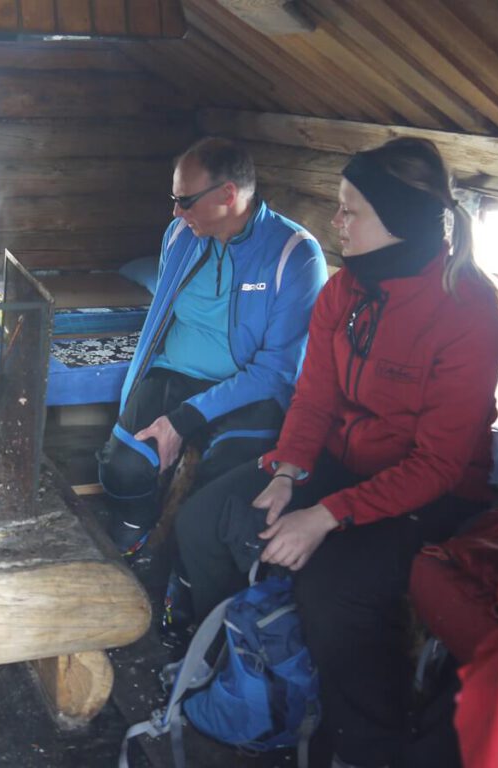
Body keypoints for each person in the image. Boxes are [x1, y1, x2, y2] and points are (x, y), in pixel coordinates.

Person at [172, 137, 498, 768]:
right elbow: (313, 400)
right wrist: (288, 472)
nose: (337, 222)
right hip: (338, 463)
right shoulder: (345, 291)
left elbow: (438, 465)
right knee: (210, 519)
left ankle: (363, 744)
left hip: (432, 496)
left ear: (398, 220)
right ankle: (246, 670)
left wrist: (323, 516)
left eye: (351, 211)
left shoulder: (468, 311)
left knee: (334, 589)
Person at [97, 137, 328, 558]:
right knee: (125, 466)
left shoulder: (295, 254)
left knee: (222, 482)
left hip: (249, 389)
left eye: (185, 201)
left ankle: (182, 571)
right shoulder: (180, 235)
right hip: (175, 373)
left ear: (228, 195)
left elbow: (277, 369)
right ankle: (132, 543)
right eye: (174, 199)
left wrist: (182, 421)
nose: (176, 212)